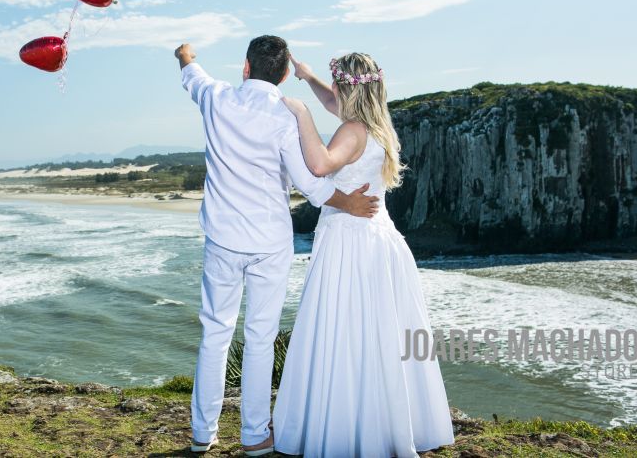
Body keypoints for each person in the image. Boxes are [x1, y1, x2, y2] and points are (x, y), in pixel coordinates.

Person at [176, 37, 380, 456]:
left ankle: (202, 432)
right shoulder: (286, 116)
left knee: (215, 333)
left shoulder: (215, 98)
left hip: (222, 238)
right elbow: (311, 184)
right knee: (260, 337)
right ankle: (254, 435)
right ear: (285, 74)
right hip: (269, 242)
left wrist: (185, 56)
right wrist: (349, 203)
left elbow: (191, 76)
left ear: (245, 67)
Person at [272, 52, 455, 457]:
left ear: (346, 89)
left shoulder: (351, 131)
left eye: (334, 84)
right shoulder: (378, 124)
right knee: (379, 334)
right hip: (380, 240)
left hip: (350, 244)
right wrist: (307, 77)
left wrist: (300, 112)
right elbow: (333, 102)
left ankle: (345, 426)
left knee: (346, 331)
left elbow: (319, 165)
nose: (330, 93)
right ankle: (388, 422)